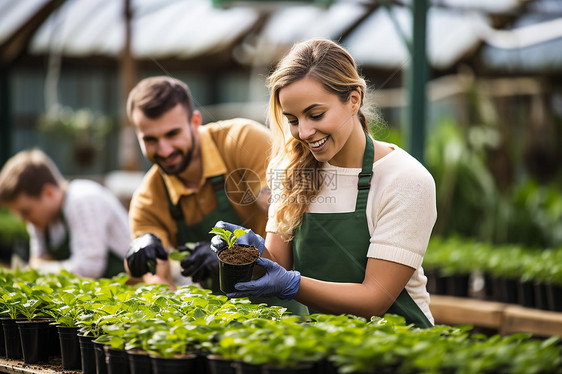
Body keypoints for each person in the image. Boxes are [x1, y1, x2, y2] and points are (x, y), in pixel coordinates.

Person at [210, 39, 437, 327]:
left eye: (316, 115)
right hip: (325, 344)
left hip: (402, 346)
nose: (304, 132)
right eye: (292, 119)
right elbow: (278, 267)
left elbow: (374, 299)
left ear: (354, 99)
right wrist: (247, 252)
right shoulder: (291, 171)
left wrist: (293, 285)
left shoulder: (406, 180)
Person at [125, 76, 271, 289]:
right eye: (150, 140)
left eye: (173, 134)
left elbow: (285, 212)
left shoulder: (242, 140)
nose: (165, 150)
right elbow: (159, 279)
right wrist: (141, 261)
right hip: (218, 315)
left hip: (282, 294)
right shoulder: (148, 200)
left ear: (195, 122)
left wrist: (236, 255)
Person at [0, 148, 129, 278]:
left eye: (26, 212)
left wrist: (45, 267)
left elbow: (89, 268)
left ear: (48, 192)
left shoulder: (82, 199)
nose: (25, 220)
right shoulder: (41, 220)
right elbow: (38, 260)